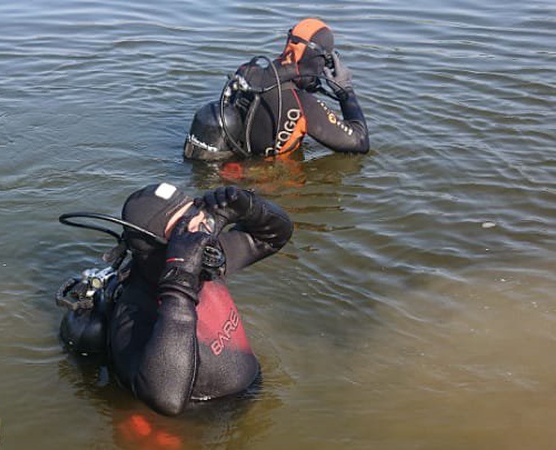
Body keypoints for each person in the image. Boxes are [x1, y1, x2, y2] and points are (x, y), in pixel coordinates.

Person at [108, 182, 293, 416]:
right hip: (205, 421)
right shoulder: (132, 315)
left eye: (196, 211)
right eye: (183, 225)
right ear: (159, 246)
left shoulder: (204, 260)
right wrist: (181, 279)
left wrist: (249, 206)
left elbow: (273, 236)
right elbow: (167, 400)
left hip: (255, 397)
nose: (201, 224)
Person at [184, 17, 369, 161]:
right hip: (271, 185)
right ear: (321, 60)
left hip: (231, 168)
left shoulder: (246, 72)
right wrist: (346, 92)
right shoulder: (304, 106)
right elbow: (360, 142)